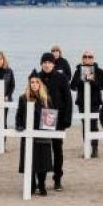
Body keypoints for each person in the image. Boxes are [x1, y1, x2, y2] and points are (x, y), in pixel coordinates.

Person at [33, 53, 73, 191]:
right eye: (44, 62)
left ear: (53, 64)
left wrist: (67, 119)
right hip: (41, 118)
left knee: (57, 149)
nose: (47, 64)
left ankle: (57, 179)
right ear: (41, 64)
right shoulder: (37, 78)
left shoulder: (61, 78)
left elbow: (68, 100)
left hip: (58, 118)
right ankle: (41, 179)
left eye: (49, 62)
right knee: (41, 149)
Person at [16, 74, 55, 196]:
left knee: (42, 162)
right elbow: (19, 115)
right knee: (30, 161)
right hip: (29, 134)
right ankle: (31, 185)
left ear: (40, 84)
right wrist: (19, 125)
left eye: (36, 82)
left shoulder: (46, 99)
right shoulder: (23, 98)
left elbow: (50, 116)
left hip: (42, 134)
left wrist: (49, 127)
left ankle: (42, 185)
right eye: (32, 82)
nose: (34, 84)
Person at [70, 50, 103, 158]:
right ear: (82, 58)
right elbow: (72, 86)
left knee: (93, 125)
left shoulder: (99, 71)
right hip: (82, 102)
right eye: (85, 57)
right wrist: (81, 80)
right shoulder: (78, 71)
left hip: (94, 102)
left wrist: (93, 81)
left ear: (93, 59)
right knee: (85, 125)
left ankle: (95, 148)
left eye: (90, 57)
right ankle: (87, 147)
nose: (87, 59)